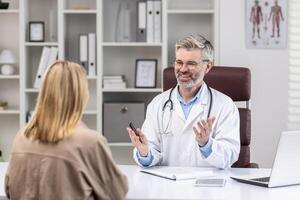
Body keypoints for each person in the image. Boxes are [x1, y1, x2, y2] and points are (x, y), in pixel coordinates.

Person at [5, 61, 128, 199]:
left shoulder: (22, 137)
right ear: (80, 95)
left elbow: (9, 190)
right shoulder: (90, 142)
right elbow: (116, 193)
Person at [127, 34, 240, 169]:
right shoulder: (158, 104)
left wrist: (206, 145)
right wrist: (145, 153)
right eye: (179, 62)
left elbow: (230, 155)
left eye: (191, 64)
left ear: (208, 67)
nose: (183, 69)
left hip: (207, 185)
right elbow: (152, 151)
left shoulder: (224, 105)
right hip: (168, 184)